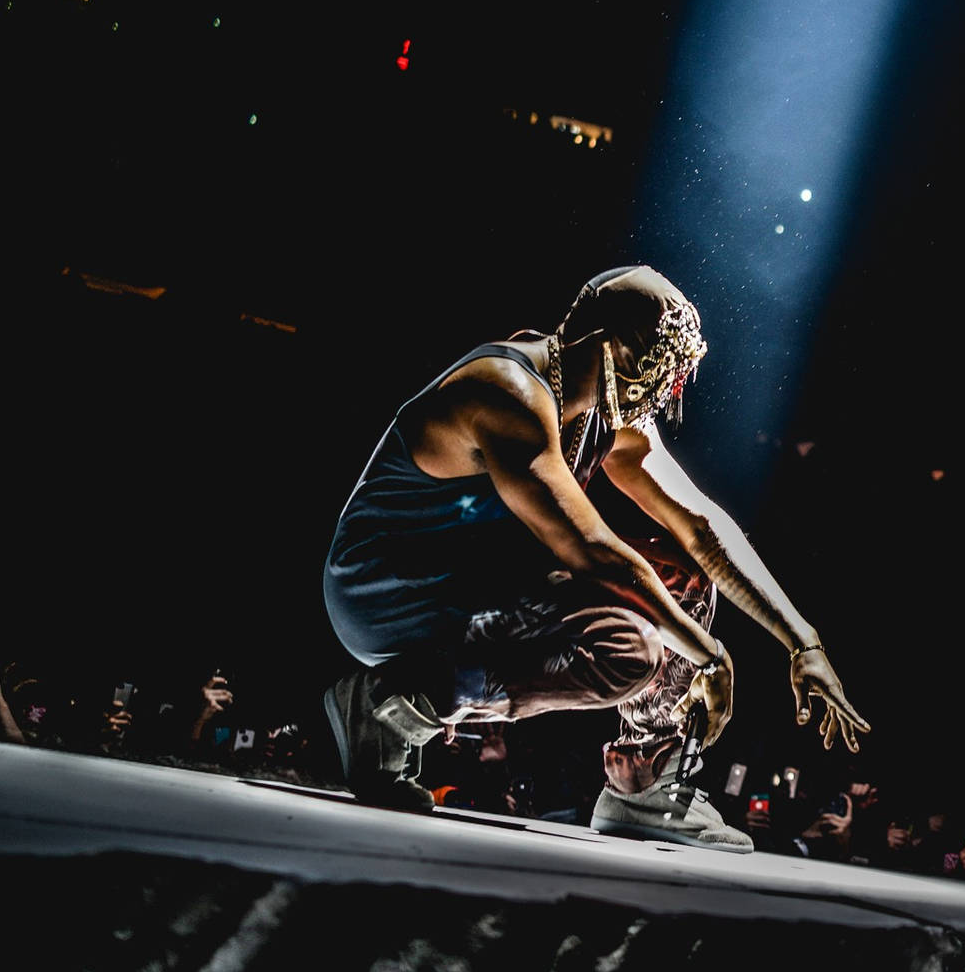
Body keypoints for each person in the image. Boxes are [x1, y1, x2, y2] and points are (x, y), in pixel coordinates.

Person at [320, 264, 870, 851]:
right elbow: (590, 551)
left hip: (477, 587)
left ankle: (640, 785)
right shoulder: (508, 390)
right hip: (386, 591)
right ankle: (402, 704)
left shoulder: (606, 415)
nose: (656, 389)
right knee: (646, 603)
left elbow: (702, 528)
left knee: (663, 600)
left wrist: (802, 642)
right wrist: (708, 655)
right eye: (650, 365)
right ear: (604, 343)